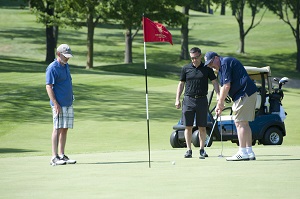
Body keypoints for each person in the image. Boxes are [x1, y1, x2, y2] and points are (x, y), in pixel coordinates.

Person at [204, 51, 257, 161]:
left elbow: (227, 86)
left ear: (216, 58)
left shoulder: (225, 63)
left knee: (239, 123)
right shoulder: (221, 70)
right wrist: (220, 101)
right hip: (246, 93)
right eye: (209, 64)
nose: (211, 66)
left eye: (211, 62)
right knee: (244, 123)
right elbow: (223, 87)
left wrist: (220, 103)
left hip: (244, 93)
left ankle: (242, 152)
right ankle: (249, 151)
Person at [175, 47, 220, 159]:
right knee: (188, 126)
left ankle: (202, 149)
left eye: (196, 58)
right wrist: (177, 99)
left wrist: (219, 94)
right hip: (188, 99)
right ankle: (188, 150)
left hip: (201, 100)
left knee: (202, 127)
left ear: (200, 56)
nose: (194, 60)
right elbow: (181, 84)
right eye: (192, 58)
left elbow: (214, 82)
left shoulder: (207, 68)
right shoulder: (186, 68)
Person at [46, 44, 76, 165]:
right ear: (59, 54)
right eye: (65, 56)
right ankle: (54, 157)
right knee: (57, 129)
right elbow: (49, 86)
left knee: (65, 129)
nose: (67, 58)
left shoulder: (66, 65)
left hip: (68, 102)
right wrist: (55, 103)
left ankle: (62, 155)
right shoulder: (52, 67)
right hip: (58, 104)